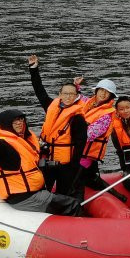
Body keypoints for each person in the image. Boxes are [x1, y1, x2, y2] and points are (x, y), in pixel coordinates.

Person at [0, 109, 81, 215]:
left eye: (21, 120)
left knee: (63, 197)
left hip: (33, 192)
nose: (19, 123)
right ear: (6, 124)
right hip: (25, 197)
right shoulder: (2, 144)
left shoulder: (24, 140)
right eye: (15, 121)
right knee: (73, 204)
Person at [27, 54, 88, 196]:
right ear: (60, 94)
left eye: (72, 94)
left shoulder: (77, 118)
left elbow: (80, 144)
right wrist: (33, 68)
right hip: (47, 158)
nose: (68, 97)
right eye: (65, 94)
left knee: (63, 193)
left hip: (65, 164)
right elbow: (39, 90)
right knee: (42, 189)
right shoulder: (51, 106)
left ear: (76, 96)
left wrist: (74, 166)